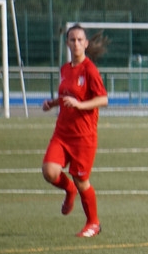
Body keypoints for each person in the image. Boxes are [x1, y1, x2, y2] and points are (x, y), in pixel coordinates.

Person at [41, 24, 109, 238]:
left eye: (80, 40)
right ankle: (68, 190)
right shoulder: (65, 69)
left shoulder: (90, 70)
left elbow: (103, 99)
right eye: (72, 40)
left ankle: (93, 223)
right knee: (49, 171)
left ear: (86, 44)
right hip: (62, 133)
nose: (76, 43)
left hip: (83, 137)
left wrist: (80, 105)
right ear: (67, 43)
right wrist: (53, 103)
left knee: (82, 181)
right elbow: (66, 95)